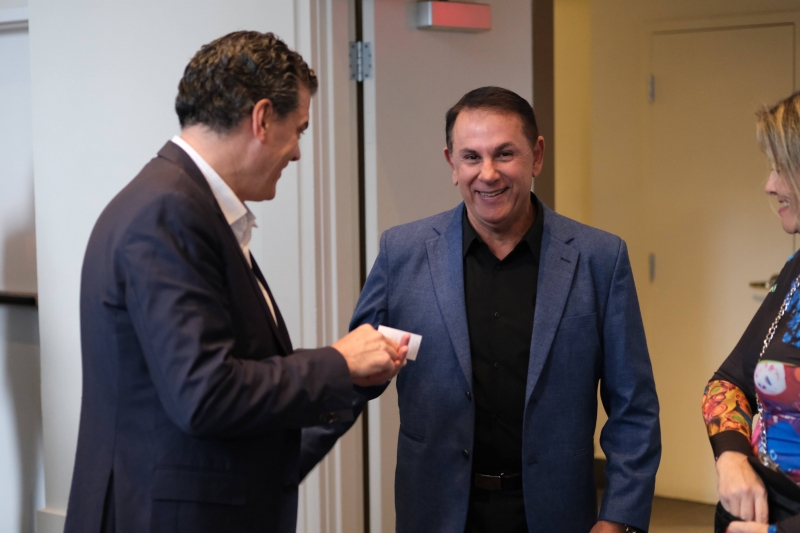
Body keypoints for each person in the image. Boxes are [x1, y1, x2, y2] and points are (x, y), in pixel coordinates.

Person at [63, 31, 407, 533]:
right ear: (262, 118)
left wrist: (348, 377)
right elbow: (205, 394)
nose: (297, 154)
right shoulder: (169, 211)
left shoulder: (179, 203)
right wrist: (337, 362)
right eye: (299, 130)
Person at [304, 86, 661, 532]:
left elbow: (634, 406)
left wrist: (620, 518)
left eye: (504, 154)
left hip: (555, 514)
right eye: (471, 157)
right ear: (452, 164)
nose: (488, 174)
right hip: (436, 512)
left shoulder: (599, 259)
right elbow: (356, 377)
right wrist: (278, 460)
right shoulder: (403, 252)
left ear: (537, 156)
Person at [702, 92, 800, 533]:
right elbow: (727, 382)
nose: (770, 185)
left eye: (781, 167)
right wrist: (732, 456)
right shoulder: (796, 270)